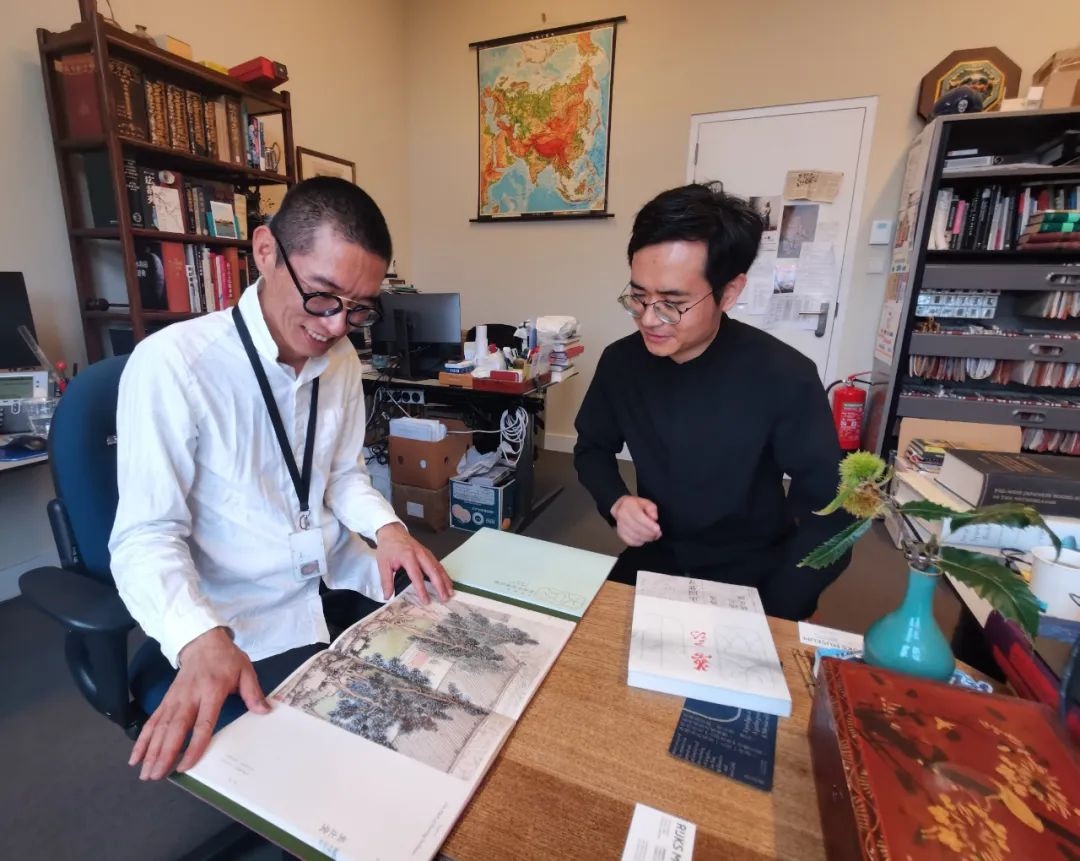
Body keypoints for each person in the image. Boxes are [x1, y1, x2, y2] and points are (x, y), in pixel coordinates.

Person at [109, 177, 452, 782]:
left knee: (447, 693)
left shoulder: (340, 360)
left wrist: (389, 530)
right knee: (347, 770)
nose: (337, 326)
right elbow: (145, 535)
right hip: (245, 618)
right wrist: (198, 637)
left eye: (360, 308)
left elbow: (342, 474)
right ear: (266, 251)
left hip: (338, 580)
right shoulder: (175, 365)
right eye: (322, 295)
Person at [573, 182, 851, 619]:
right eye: (639, 297)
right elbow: (591, 449)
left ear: (730, 292)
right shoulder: (621, 362)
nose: (649, 319)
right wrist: (617, 502)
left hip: (751, 569)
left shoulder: (783, 375)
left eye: (673, 303)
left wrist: (777, 610)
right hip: (656, 556)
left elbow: (831, 515)